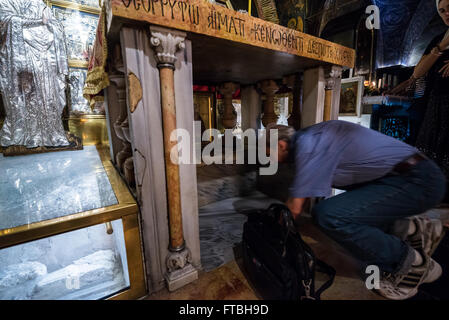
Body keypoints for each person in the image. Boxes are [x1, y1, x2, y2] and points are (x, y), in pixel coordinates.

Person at [266, 120, 446, 300]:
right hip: (411, 178)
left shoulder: (308, 145)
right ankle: (411, 229)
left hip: (419, 182)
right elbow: (302, 195)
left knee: (329, 216)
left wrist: (273, 238)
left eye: (270, 154)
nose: (271, 160)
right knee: (347, 206)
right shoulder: (310, 137)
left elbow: (294, 207)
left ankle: (412, 264)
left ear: (281, 145)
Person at [0, 0, 69, 148]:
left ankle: (51, 133)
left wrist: (51, 25)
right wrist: (38, 21)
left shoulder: (39, 3)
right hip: (23, 54)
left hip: (46, 55)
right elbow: (6, 21)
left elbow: (55, 24)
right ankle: (31, 134)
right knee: (28, 93)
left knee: (48, 94)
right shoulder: (6, 2)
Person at [411, 0, 449, 202]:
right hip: (437, 106)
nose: (446, 13)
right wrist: (442, 46)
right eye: (442, 10)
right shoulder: (438, 39)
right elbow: (418, 72)